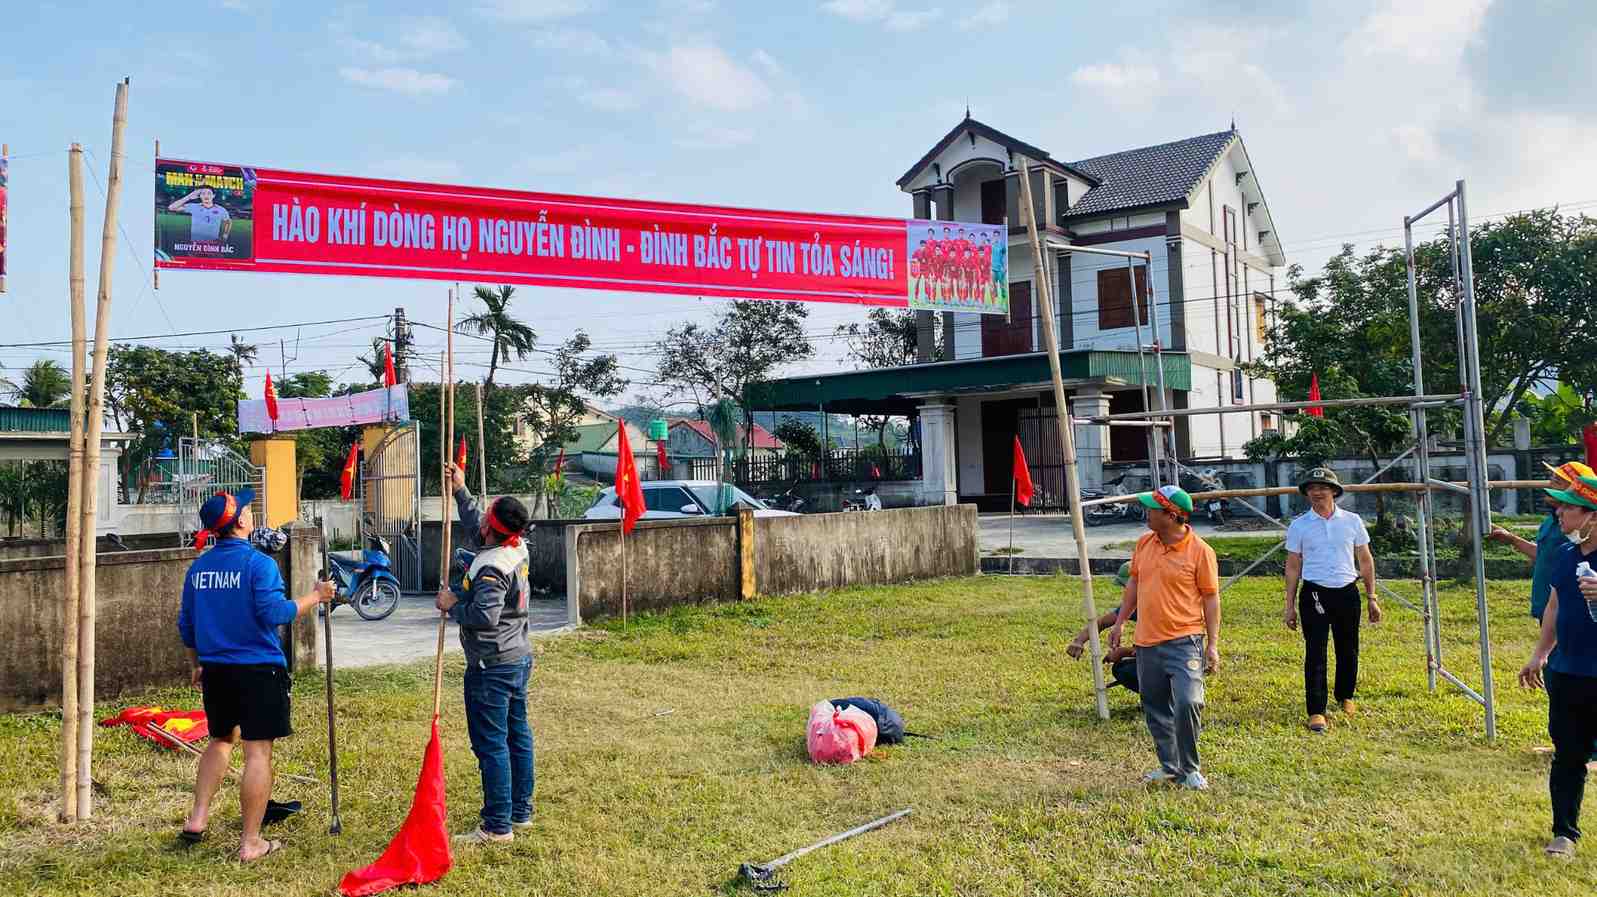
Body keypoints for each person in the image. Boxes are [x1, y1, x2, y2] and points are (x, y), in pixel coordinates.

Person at [177, 489, 333, 861]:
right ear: (241, 522)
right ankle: (251, 842)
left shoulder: (199, 568)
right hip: (258, 671)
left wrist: (196, 664)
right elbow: (275, 613)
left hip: (216, 671)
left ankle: (197, 818)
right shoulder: (258, 564)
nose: (251, 512)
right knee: (257, 752)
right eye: (247, 508)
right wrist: (316, 596)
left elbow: (186, 626)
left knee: (220, 740)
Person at [436, 462, 535, 845]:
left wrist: (452, 604)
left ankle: (497, 826)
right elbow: (477, 525)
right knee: (517, 736)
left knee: (491, 744)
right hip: (517, 657)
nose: (481, 519)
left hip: (491, 665)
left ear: (492, 528)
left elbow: (484, 616)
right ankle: (519, 812)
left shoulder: (491, 567)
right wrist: (460, 490)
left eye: (486, 516)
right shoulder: (514, 546)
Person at [1108, 485, 1221, 790]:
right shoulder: (1145, 543)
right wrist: (1120, 622)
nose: (1146, 513)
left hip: (1185, 641)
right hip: (1147, 642)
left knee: (1188, 702)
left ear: (1171, 515)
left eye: (1152, 509)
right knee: (1155, 706)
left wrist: (1212, 645)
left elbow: (1211, 599)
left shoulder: (1201, 551)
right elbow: (1134, 584)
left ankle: (1190, 769)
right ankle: (1170, 767)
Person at [1519, 473, 1597, 858]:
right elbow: (1554, 605)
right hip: (1567, 672)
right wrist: (1540, 653)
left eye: (1569, 507)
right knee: (1568, 754)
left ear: (1592, 516)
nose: (1560, 512)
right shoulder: (1567, 555)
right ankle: (1564, 833)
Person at [1282, 467, 1381, 732]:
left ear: (1334, 491)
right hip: (1314, 593)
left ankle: (1345, 695)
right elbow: (1293, 566)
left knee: (1348, 648)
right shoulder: (1299, 525)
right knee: (1315, 651)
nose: (1317, 492)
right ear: (1307, 493)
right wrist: (1289, 606)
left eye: (1323, 488)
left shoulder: (1352, 521)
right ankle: (1316, 710)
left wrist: (1372, 597)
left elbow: (1365, 560)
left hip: (1347, 591)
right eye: (1312, 488)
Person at [1491, 461, 1596, 622]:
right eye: (1551, 478)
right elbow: (1543, 554)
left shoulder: (1577, 529)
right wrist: (1511, 539)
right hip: (1548, 607)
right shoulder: (1555, 523)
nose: (1550, 483)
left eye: (1558, 480)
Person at [1068, 562, 1139, 692]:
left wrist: (1123, 652)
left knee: (1125, 670)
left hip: (1171, 661)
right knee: (1122, 667)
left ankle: (1164, 698)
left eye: (1127, 587)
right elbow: (1101, 623)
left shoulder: (1159, 608)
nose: (1125, 592)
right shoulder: (1134, 605)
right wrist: (1079, 641)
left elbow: (1158, 651)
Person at [168, 186, 232, 243]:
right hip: (196, 244)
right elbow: (171, 207)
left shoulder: (221, 209)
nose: (206, 196)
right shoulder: (194, 207)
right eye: (203, 193)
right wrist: (189, 197)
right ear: (199, 196)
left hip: (213, 244)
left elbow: (228, 221)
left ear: (213, 195)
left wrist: (225, 235)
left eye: (209, 193)